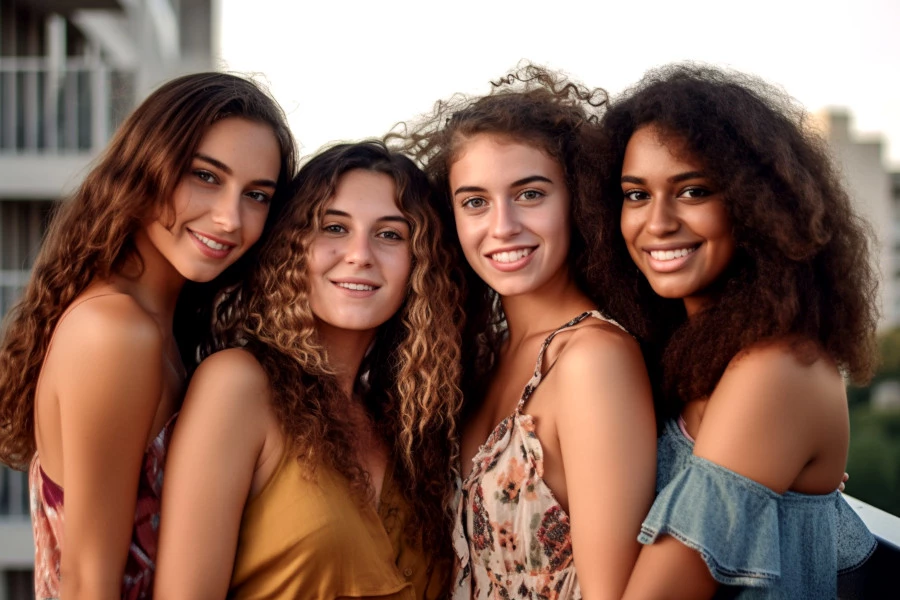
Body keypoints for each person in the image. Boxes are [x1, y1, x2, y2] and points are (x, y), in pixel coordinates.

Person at [0, 71, 296, 600]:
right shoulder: (115, 333)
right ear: (145, 170)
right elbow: (90, 584)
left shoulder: (165, 327)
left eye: (256, 195)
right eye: (206, 177)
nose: (230, 218)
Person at [595, 64, 878, 598]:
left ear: (757, 208)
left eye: (693, 191)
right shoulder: (688, 350)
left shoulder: (778, 367)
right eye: (636, 194)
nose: (656, 222)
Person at [392, 64, 657, 599]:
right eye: (475, 202)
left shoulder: (592, 360)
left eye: (530, 194)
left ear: (577, 201)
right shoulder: (483, 355)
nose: (503, 225)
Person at [154, 141, 462, 599]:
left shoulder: (409, 428)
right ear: (291, 246)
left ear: (420, 264)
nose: (359, 254)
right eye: (334, 227)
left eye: (391, 235)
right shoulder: (238, 386)